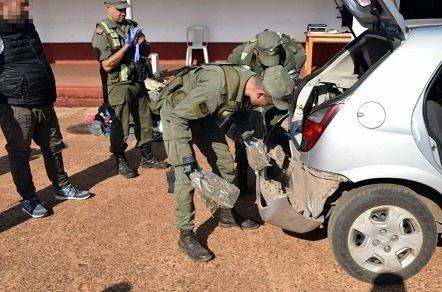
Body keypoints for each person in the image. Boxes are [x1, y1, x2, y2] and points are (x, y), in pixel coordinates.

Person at [160, 64, 294, 261]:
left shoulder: (248, 85)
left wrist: (248, 139)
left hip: (202, 116)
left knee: (224, 163)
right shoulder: (216, 88)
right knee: (187, 176)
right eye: (268, 102)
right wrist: (187, 159)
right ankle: (185, 233)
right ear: (260, 94)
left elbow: (238, 114)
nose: (266, 106)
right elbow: (179, 118)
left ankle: (226, 213)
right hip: (176, 117)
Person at [0, 0, 90, 218]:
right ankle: (28, 198)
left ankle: (61, 186)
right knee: (20, 153)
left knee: (53, 146)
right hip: (17, 104)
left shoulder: (28, 27)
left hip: (43, 99)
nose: (22, 8)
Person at [91, 0, 168, 178]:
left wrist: (141, 44)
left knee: (144, 120)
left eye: (124, 10)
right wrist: (127, 46)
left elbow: (147, 51)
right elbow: (108, 65)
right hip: (118, 85)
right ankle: (120, 159)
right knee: (121, 124)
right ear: (108, 7)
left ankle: (147, 156)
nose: (123, 13)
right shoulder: (102, 32)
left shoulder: (132, 26)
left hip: (137, 82)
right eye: (119, 10)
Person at [227, 29, 306, 196]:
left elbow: (284, 90)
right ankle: (242, 177)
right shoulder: (241, 57)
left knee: (277, 128)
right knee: (246, 133)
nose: (270, 63)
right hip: (250, 94)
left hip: (275, 95)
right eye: (265, 59)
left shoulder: (292, 56)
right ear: (256, 51)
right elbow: (236, 88)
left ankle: (280, 173)